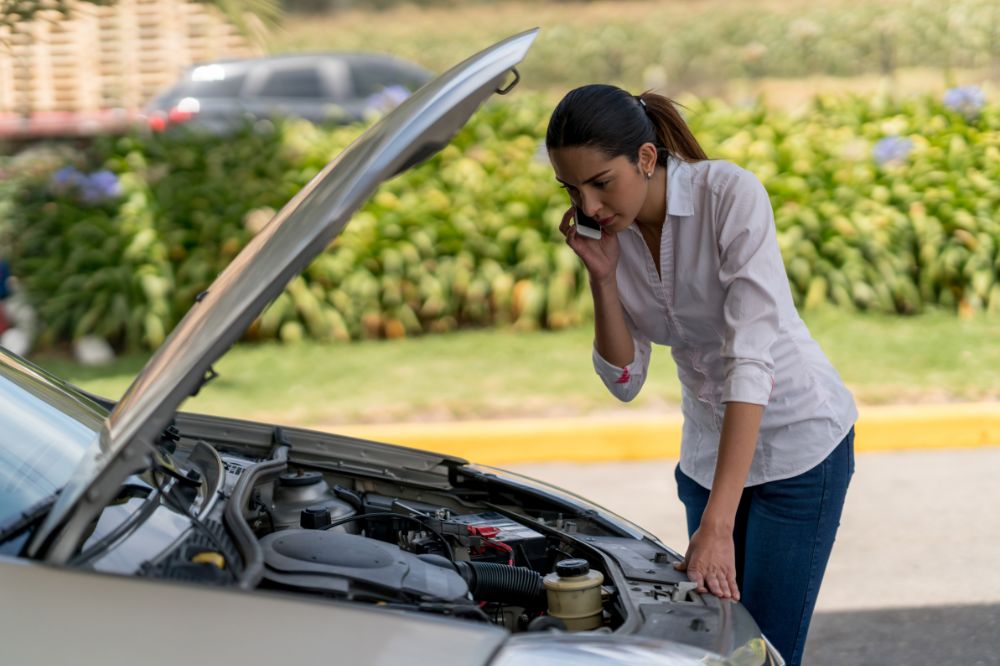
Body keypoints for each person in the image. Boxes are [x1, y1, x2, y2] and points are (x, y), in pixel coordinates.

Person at [545, 84, 857, 666]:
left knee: (763, 654)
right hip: (706, 459)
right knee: (715, 651)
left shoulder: (728, 194)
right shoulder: (611, 235)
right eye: (572, 189)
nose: (588, 207)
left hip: (799, 448)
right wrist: (603, 278)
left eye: (601, 182)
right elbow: (623, 382)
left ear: (644, 157)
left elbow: (750, 362)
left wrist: (716, 524)